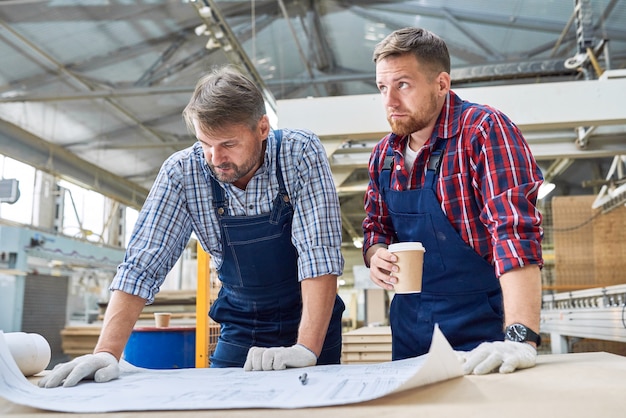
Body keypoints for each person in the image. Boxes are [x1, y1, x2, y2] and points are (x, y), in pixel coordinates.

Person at [39, 65, 345, 388]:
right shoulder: (182, 174)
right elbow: (141, 265)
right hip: (242, 326)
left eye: (228, 144)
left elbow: (318, 255)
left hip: (311, 322)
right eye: (204, 144)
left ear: (263, 128)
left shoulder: (300, 154)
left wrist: (306, 348)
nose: (215, 158)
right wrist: (106, 353)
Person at [362, 27, 544, 375]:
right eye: (382, 88)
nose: (389, 102)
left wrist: (521, 339)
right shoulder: (384, 155)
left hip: (482, 333)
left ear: (442, 84)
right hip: (410, 330)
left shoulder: (484, 131)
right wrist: (376, 256)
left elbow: (514, 233)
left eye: (402, 85)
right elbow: (375, 228)